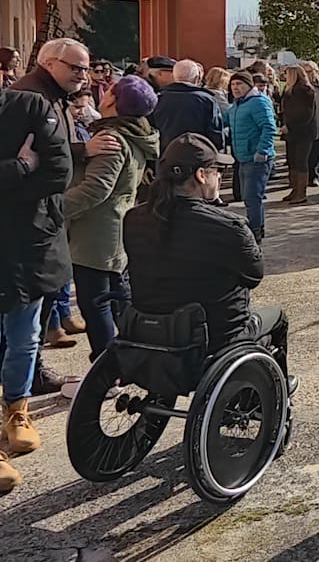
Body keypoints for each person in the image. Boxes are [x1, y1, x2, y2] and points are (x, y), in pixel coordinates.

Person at [124, 134, 294, 395]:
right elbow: (253, 275)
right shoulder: (229, 227)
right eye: (218, 170)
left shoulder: (134, 218)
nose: (221, 177)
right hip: (216, 337)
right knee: (278, 319)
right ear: (202, 175)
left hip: (150, 330)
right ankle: (267, 394)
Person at [12, 37, 121, 397]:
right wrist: (83, 149)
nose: (83, 76)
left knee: (34, 309)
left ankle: (30, 374)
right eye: (75, 67)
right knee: (24, 312)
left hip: (43, 213)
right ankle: (22, 387)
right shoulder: (30, 97)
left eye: (86, 68)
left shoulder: (51, 95)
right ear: (49, 63)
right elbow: (40, 158)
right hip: (30, 216)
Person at [0, 85, 71, 491]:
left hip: (28, 245)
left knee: (24, 336)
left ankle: (17, 407)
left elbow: (60, 171)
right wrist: (20, 168)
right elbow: (40, 169)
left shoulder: (30, 105)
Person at [63, 74, 159, 368]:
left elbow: (96, 189)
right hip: (116, 226)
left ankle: (106, 371)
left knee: (96, 303)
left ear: (114, 101)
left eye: (110, 92)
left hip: (96, 233)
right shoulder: (136, 133)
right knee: (119, 296)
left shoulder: (111, 139)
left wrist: (53, 207)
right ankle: (136, 357)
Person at [224, 70, 277, 243]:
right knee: (250, 197)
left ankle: (256, 233)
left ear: (249, 85)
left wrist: (262, 151)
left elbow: (269, 128)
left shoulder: (258, 103)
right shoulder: (238, 105)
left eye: (239, 84)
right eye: (233, 85)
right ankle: (257, 228)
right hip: (243, 157)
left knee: (252, 197)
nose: (235, 88)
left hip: (257, 159)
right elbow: (225, 120)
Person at [152, 59, 223, 150]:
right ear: (197, 78)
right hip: (199, 153)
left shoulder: (158, 99)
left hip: (165, 153)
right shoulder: (207, 100)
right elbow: (215, 131)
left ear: (174, 77)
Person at [279, 66, 318, 205]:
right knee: (292, 160)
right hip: (292, 132)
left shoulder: (304, 91)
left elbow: (304, 114)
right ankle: (295, 189)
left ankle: (301, 192)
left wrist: (289, 126)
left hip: (303, 132)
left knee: (301, 161)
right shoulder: (289, 90)